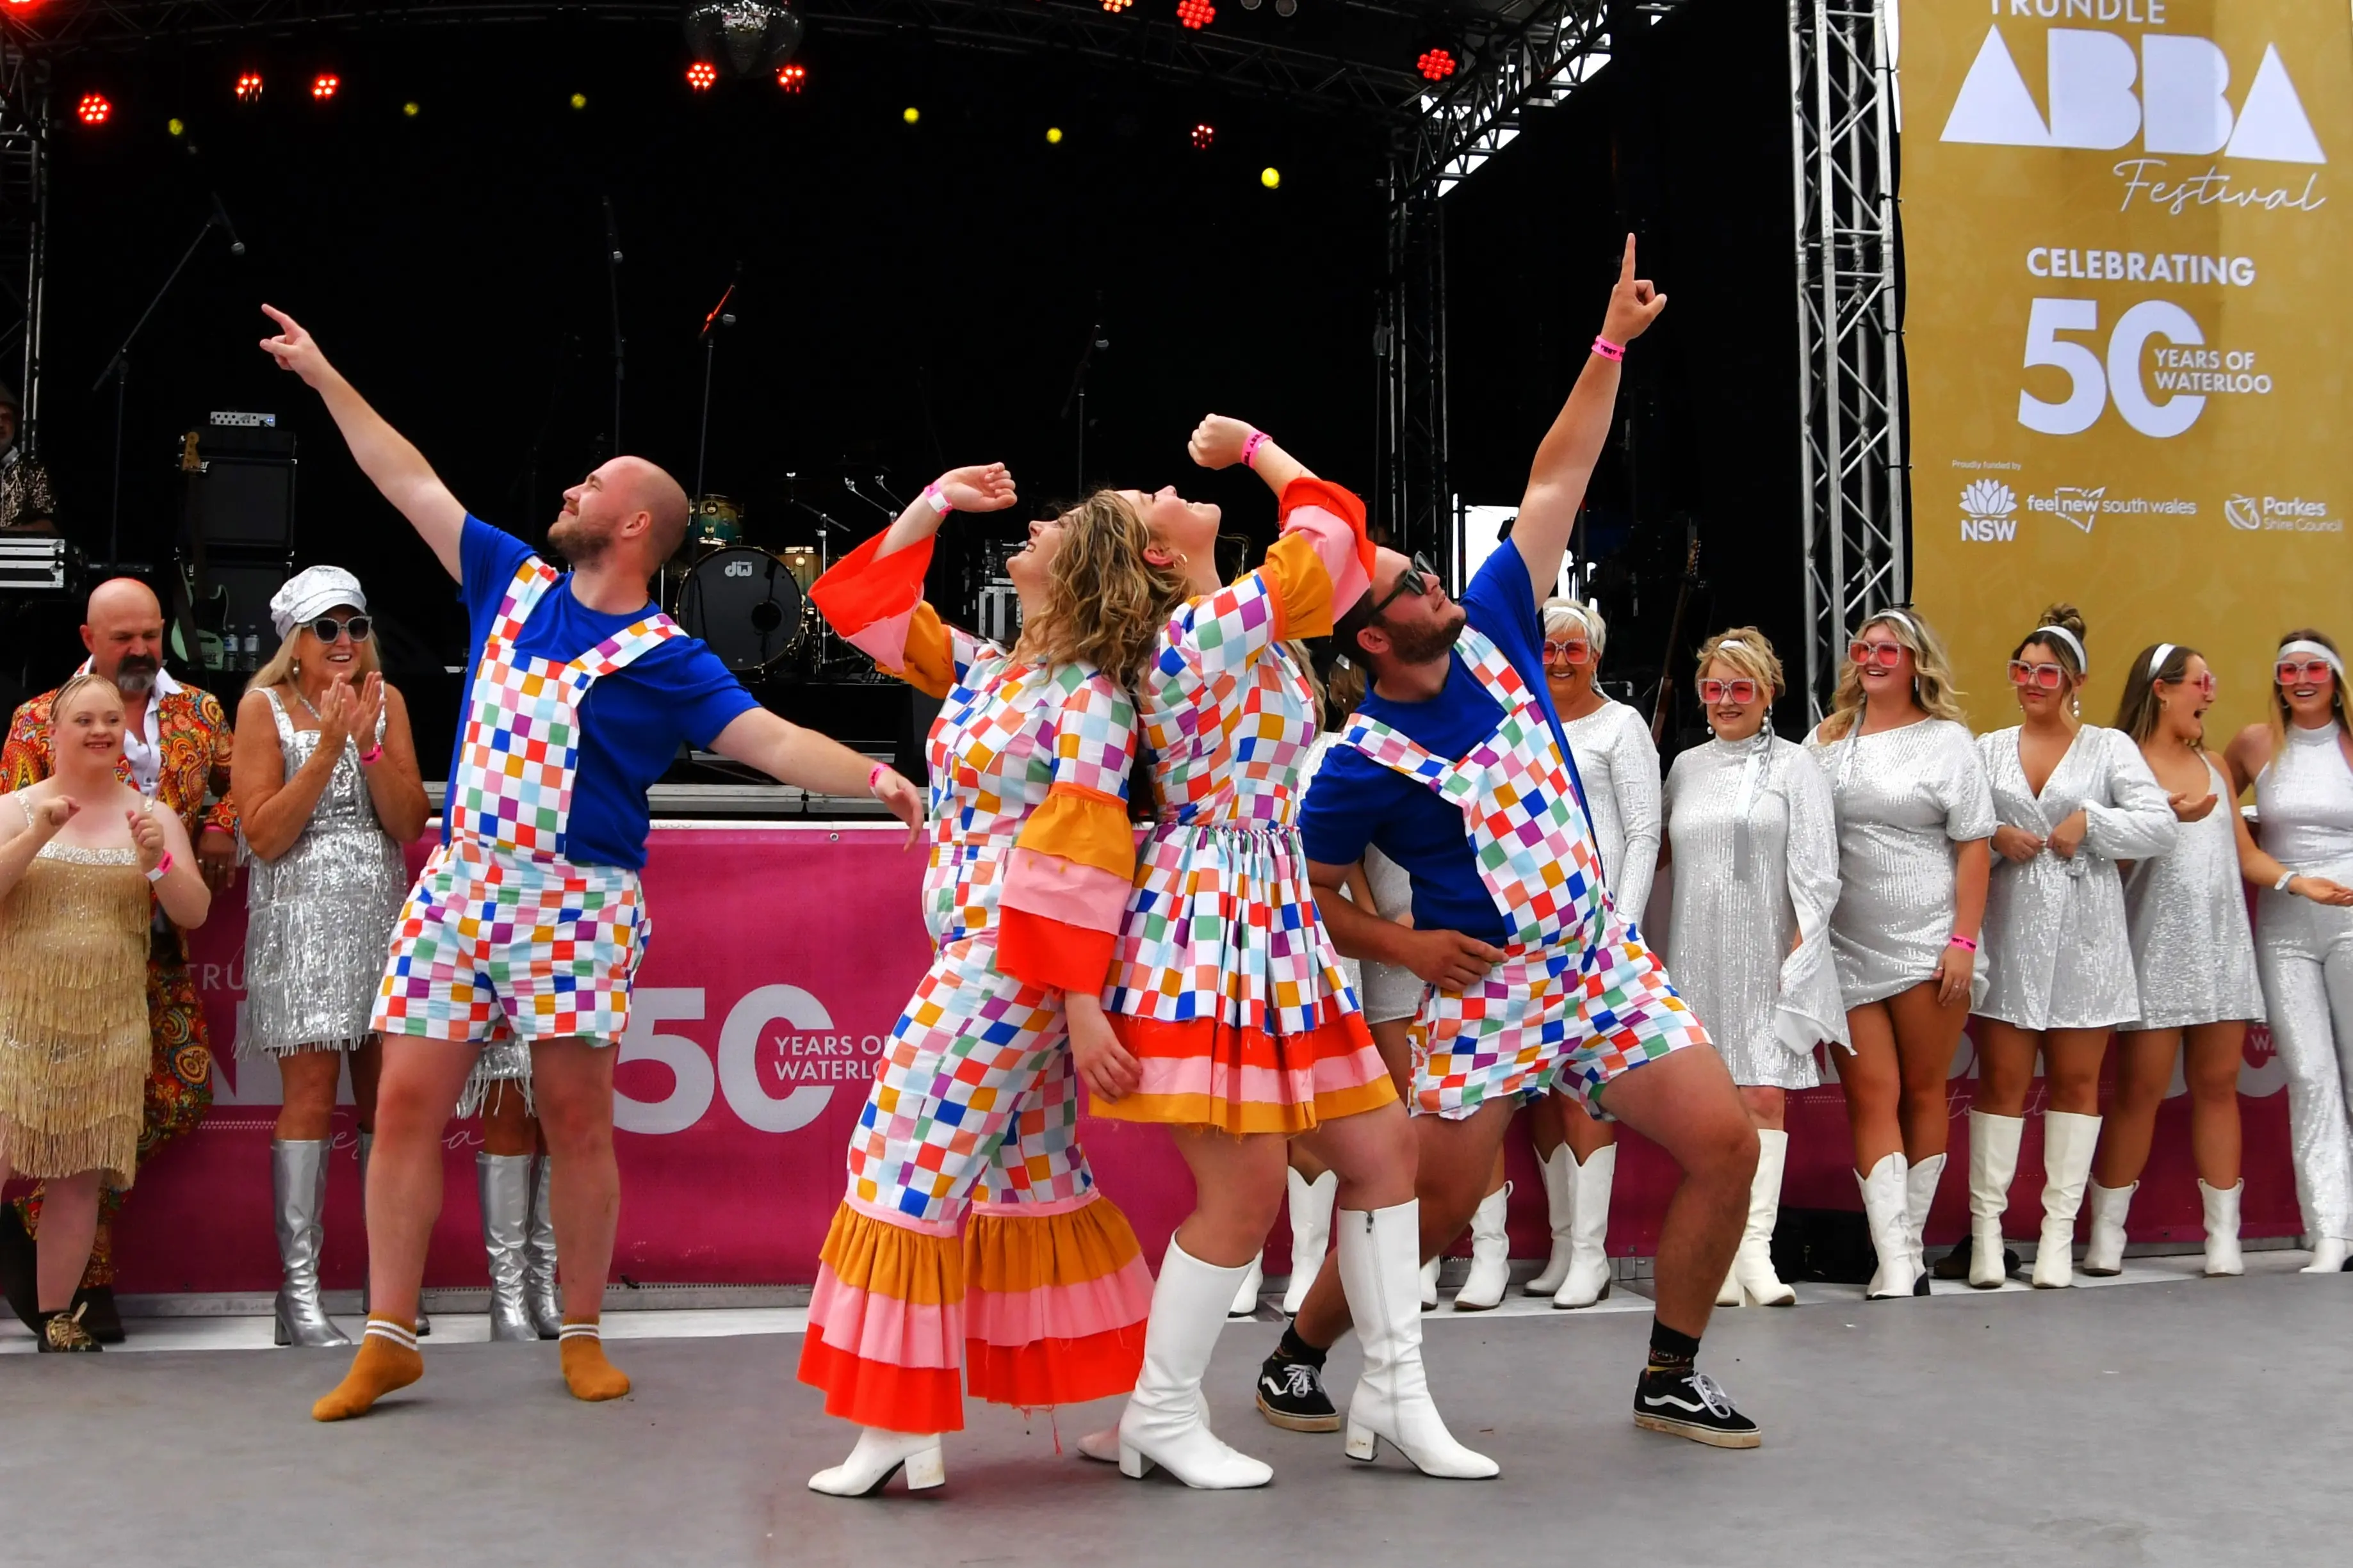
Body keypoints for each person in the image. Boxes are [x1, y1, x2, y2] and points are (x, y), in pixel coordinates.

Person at [255, 305, 924, 1419]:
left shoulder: (669, 657)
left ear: (634, 525)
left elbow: (766, 738)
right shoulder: (506, 579)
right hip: (462, 882)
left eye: (588, 486)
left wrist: (874, 775)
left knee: (575, 1119)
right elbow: (406, 477)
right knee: (408, 1101)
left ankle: (579, 1328)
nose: (566, 490)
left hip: (576, 900)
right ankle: (386, 1332)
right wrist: (325, 374)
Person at [1271, 238, 1766, 1455]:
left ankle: (1669, 1370)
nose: (1434, 580)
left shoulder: (1494, 619)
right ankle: (1297, 1351)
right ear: (1370, 643)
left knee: (1725, 1142)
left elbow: (1556, 474)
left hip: (1597, 962)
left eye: (1426, 569)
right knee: (1435, 1207)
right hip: (1485, 990)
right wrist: (1398, 940)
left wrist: (1608, 342)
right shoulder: (1358, 761)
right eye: (1405, 584)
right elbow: (1301, 889)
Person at [797, 468, 1176, 1497]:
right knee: (1033, 1177)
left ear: (1085, 562)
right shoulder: (989, 669)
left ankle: (896, 1427)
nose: (1033, 525)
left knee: (899, 1160)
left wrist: (1078, 1000)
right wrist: (931, 503)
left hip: (1008, 965)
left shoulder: (1093, 700)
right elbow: (854, 604)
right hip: (995, 961)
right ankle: (1152, 1408)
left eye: (1054, 525)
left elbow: (1085, 857)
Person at [1073, 420, 1415, 1489]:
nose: (1169, 482)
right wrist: (1255, 447)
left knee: (1382, 1152)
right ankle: (1158, 1412)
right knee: (1245, 1186)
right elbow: (1323, 526)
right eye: (1150, 497)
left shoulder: (1242, 623)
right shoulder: (1198, 634)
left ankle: (1392, 1390)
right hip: (1210, 921)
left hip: (1266, 920)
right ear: (1160, 558)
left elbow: (1346, 549)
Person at [0, 576, 239, 1341]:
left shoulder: (198, 714)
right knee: (22, 1141)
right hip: (28, 996)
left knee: (110, 1137)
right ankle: (63, 1277)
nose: (140, 650)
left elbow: (236, 783)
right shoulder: (30, 729)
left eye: (150, 634)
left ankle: (54, 1292)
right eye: (122, 637)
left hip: (136, 980)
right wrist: (37, 829)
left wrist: (208, 832)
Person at [231, 566, 428, 1348]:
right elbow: (265, 835)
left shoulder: (391, 700)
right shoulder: (261, 708)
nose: (344, 642)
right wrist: (329, 749)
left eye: (354, 625)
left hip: (381, 914)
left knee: (391, 1104)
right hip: (300, 919)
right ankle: (300, 1295)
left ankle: (389, 1290)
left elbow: (410, 823)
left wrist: (373, 748)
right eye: (327, 628)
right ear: (295, 639)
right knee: (310, 1098)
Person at [1969, 608, 2175, 1289]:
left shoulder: (2109, 747)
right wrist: (1996, 834)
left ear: (2074, 680)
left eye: (2045, 672)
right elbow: (1955, 824)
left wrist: (2091, 822)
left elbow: (2159, 827)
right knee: (2000, 1082)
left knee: (2077, 1083)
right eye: (2020, 669)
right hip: (2007, 929)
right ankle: (1987, 1235)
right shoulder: (1986, 747)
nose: (2031, 682)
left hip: (2085, 933)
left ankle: (2056, 1234)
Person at [1805, 608, 1993, 1299]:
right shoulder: (1826, 737)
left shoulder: (1948, 741)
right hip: (1845, 945)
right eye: (1864, 647)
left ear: (1916, 662)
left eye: (1889, 649)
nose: (1873, 657)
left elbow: (1974, 842)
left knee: (1922, 1092)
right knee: (1869, 1095)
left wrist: (1962, 942)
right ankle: (1892, 1256)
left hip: (1927, 941)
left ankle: (1908, 1252)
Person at [1661, 629, 1845, 1309]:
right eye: (1713, 687)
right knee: (1710, 1112)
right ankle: (1717, 1255)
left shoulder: (1798, 767)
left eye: (1740, 688)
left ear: (1767, 693)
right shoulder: (1682, 766)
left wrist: (1801, 950)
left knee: (1764, 1098)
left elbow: (1819, 870)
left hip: (1769, 956)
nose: (1725, 700)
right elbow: (1652, 859)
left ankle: (1754, 1254)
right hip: (1694, 955)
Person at [2087, 643, 2263, 1277]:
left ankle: (2223, 1237)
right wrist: (2155, 815)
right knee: (2138, 1092)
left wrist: (2300, 880)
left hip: (2220, 952)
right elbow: (2105, 855)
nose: (2209, 694)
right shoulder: (2117, 760)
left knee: (2218, 1089)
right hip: (2153, 950)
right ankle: (2106, 1234)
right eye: (2199, 682)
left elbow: (2245, 857)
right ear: (2160, 690)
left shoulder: (2214, 764)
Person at [1509, 595, 1661, 1311]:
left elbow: (1642, 833)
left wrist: (1618, 925)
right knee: (1539, 1092)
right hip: (1529, 934)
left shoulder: (1621, 725)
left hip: (1597, 938)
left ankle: (1592, 1258)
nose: (1560, 660)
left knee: (1585, 1090)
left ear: (1595, 655)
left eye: (1575, 648)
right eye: (1549, 648)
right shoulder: (1520, 724)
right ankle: (1564, 1244)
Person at [2226, 631, 2353, 1274]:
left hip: (2350, 920)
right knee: (2307, 1075)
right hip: (2281, 926)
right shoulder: (2255, 743)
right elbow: (2207, 798)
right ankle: (2328, 1230)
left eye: (2313, 668)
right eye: (2287, 669)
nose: (2300, 678)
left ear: (2334, 677)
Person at [0, 382, 59, 535]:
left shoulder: (33, 471)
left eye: (6, 417)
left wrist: (6, 534)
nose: (0, 424)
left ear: (15, 425)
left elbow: (50, 527)